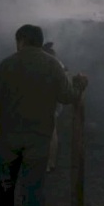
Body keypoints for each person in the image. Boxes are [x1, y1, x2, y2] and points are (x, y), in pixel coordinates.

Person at [0, 25, 88, 206]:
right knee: (32, 184)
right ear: (40, 42)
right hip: (38, 135)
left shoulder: (7, 64)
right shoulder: (52, 65)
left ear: (21, 40)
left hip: (9, 134)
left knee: (5, 183)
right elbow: (66, 96)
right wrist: (79, 86)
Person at [42, 42, 61, 173]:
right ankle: (50, 163)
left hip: (47, 102)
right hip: (53, 103)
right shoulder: (59, 65)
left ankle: (48, 163)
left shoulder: (49, 65)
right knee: (51, 132)